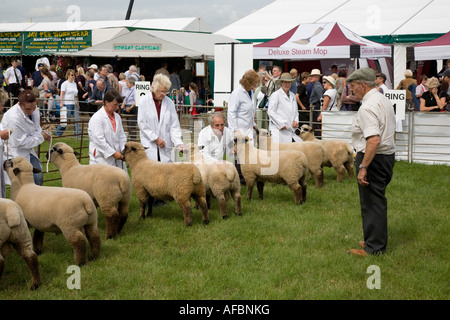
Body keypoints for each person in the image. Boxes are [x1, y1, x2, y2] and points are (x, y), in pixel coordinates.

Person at [347, 68, 396, 256]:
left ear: (362, 85)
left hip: (374, 158)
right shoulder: (382, 99)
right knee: (376, 200)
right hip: (386, 156)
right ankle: (372, 239)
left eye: (353, 87)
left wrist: (363, 167)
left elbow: (373, 139)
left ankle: (374, 248)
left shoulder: (367, 107)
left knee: (372, 202)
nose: (352, 91)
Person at [0, 89, 51, 186]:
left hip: (28, 150)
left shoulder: (33, 108)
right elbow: (20, 142)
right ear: (19, 105)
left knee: (38, 176)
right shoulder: (14, 117)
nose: (32, 111)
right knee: (22, 182)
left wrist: (42, 132)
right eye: (28, 109)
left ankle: (35, 200)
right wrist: (41, 136)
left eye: (34, 107)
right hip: (15, 153)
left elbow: (36, 127)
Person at [137, 73, 184, 163]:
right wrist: (156, 138)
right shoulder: (144, 101)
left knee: (167, 173)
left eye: (166, 91)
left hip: (166, 146)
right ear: (154, 89)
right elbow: (142, 123)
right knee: (152, 173)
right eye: (162, 91)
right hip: (150, 144)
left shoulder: (169, 102)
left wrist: (178, 143)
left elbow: (174, 126)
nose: (164, 94)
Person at [88, 89, 127, 171]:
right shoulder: (97, 118)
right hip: (101, 159)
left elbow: (121, 136)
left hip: (118, 157)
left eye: (118, 105)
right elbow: (99, 140)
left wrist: (124, 150)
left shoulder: (117, 117)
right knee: (104, 182)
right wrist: (113, 153)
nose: (117, 108)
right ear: (106, 102)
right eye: (115, 105)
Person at [227, 69, 261, 142]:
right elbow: (231, 112)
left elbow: (250, 112)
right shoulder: (237, 93)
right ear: (248, 83)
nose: (255, 86)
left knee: (250, 152)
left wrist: (254, 124)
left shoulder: (251, 93)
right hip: (239, 130)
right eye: (254, 83)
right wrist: (235, 130)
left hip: (249, 129)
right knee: (240, 152)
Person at [267, 72, 300, 143]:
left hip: (290, 130)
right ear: (281, 83)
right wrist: (281, 124)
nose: (287, 84)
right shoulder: (276, 95)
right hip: (279, 131)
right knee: (278, 152)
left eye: (289, 82)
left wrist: (296, 121)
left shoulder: (293, 96)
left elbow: (296, 112)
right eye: (285, 82)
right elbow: (271, 112)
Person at [55, 69, 80, 136]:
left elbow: (76, 95)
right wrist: (61, 103)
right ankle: (58, 132)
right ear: (68, 75)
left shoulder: (75, 84)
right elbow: (61, 94)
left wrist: (78, 104)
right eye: (72, 75)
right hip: (67, 104)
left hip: (74, 104)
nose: (73, 76)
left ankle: (78, 134)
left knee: (77, 119)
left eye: (74, 75)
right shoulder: (64, 84)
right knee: (65, 120)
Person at [309, 69, 324, 136]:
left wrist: (320, 113)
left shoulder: (317, 86)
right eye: (311, 76)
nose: (311, 77)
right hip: (316, 107)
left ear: (318, 77)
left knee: (316, 126)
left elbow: (321, 100)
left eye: (313, 76)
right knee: (315, 126)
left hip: (316, 108)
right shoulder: (316, 85)